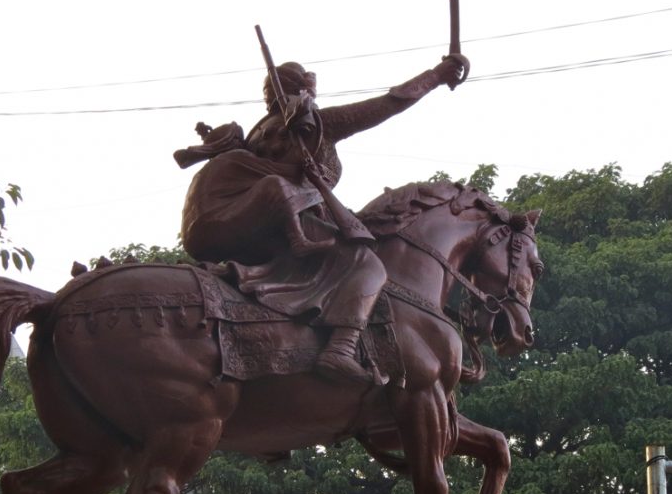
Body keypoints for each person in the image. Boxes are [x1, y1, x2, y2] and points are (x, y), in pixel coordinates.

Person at [175, 54, 467, 384]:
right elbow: (390, 102)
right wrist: (437, 75)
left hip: (239, 229)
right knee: (367, 265)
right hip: (262, 224)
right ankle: (341, 349)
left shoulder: (260, 134)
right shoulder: (311, 124)